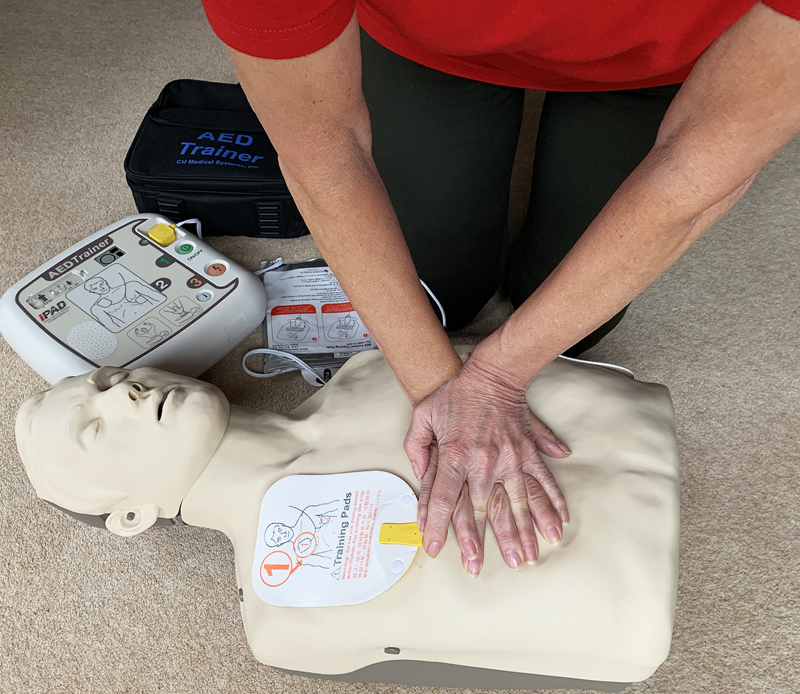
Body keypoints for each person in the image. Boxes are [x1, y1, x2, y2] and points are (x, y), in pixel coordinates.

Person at [196, 0, 800, 570]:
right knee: (442, 300)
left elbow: (699, 173)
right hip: (430, 42)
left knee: (572, 330)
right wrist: (439, 385)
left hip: (654, 61)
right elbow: (324, 158)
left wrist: (499, 377)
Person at [14, 349, 679, 684]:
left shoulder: (369, 371)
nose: (123, 393)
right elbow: (622, 638)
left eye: (103, 380)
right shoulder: (290, 620)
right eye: (95, 430)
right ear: (133, 516)